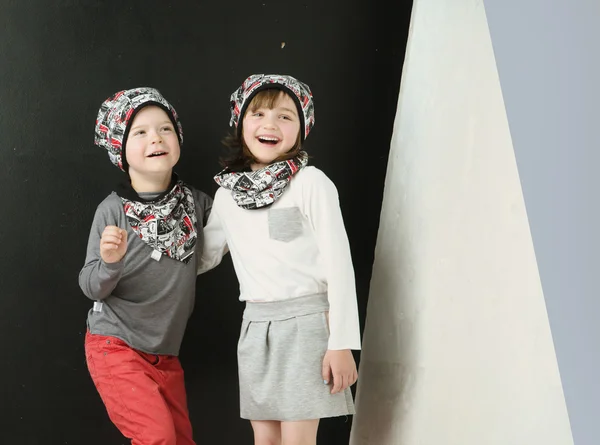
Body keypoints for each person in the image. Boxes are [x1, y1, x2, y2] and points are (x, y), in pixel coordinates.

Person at [198, 74, 361, 445]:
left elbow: (339, 265)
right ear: (241, 123)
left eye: (285, 116)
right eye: (258, 113)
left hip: (306, 323)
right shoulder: (227, 196)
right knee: (265, 438)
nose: (270, 124)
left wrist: (342, 342)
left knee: (297, 440)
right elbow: (202, 258)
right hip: (256, 327)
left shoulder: (310, 183)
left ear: (302, 128)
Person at [79, 87, 211, 445]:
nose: (156, 137)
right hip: (116, 345)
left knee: (180, 440)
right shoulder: (114, 210)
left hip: (166, 354)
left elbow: (234, 235)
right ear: (119, 150)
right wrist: (109, 263)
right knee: (158, 438)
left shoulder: (197, 204)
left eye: (165, 128)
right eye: (140, 132)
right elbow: (91, 286)